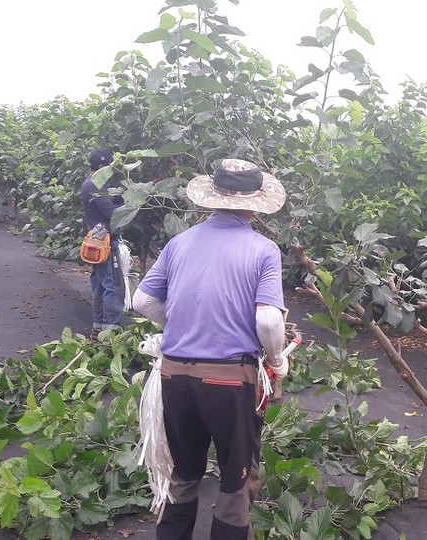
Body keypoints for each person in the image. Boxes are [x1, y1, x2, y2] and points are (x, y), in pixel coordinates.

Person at [132, 158, 290, 540]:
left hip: (175, 376)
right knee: (235, 481)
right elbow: (268, 321)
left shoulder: (179, 242)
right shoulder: (263, 249)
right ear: (255, 203)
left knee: (183, 472)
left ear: (212, 197)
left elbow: (142, 302)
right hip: (228, 382)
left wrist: (186, 323)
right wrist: (276, 361)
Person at [80, 148, 124, 334]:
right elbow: (111, 213)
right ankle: (110, 331)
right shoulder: (96, 185)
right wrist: (126, 201)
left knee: (98, 284)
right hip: (104, 242)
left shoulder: (87, 183)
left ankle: (98, 327)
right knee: (113, 286)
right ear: (101, 166)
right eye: (110, 167)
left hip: (95, 240)